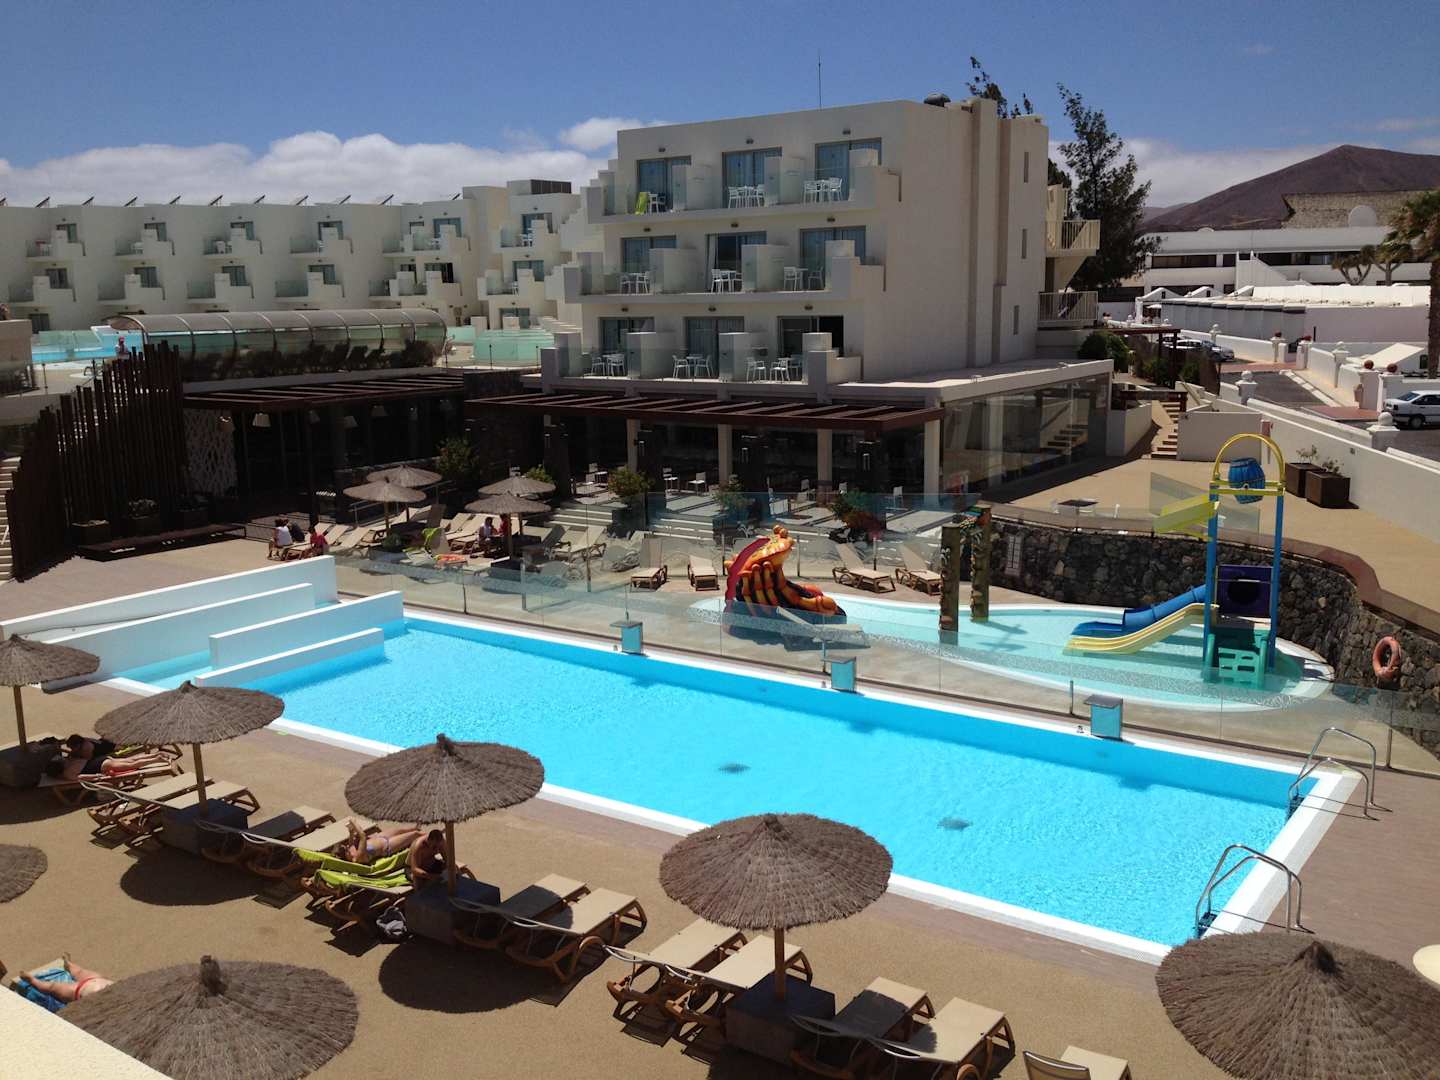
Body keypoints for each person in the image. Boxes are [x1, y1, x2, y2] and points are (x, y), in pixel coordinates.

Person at [22, 955, 113, 1004]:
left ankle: (32, 980)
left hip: (78, 991)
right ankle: (68, 964)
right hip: (96, 979)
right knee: (80, 971)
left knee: (52, 987)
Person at [45, 750, 172, 781]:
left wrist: (97, 776)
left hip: (102, 767)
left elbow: (82, 777)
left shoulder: (67, 773)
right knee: (130, 760)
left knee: (132, 764)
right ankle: (155, 755)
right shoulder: (70, 760)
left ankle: (157, 759)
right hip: (101, 759)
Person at [340, 821, 423, 865]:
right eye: (346, 850)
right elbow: (363, 836)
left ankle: (416, 828)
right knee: (415, 834)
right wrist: (354, 822)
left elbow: (351, 834)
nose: (348, 847)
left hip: (379, 837)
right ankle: (428, 837)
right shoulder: (358, 857)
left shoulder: (351, 850)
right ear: (347, 857)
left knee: (400, 830)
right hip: (387, 846)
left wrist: (351, 830)